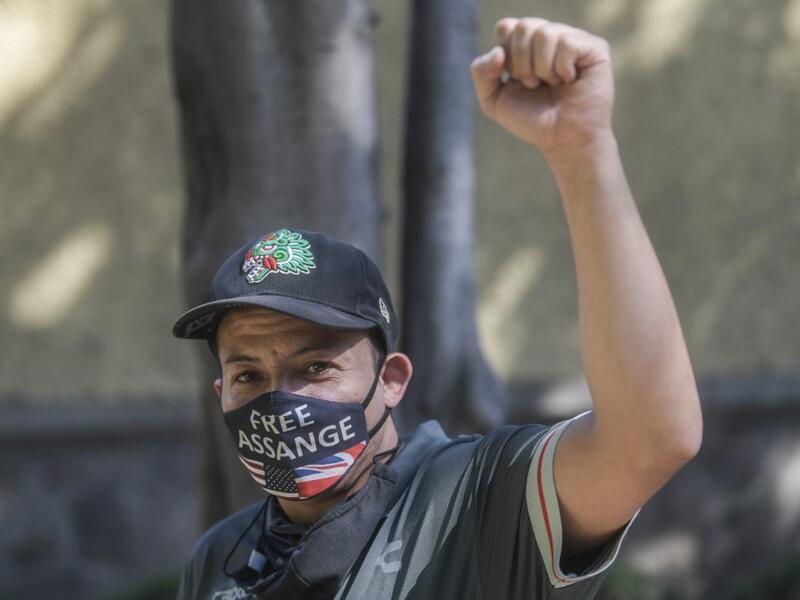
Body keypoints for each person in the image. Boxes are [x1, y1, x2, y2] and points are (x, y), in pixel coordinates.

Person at [172, 17, 702, 600]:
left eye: (317, 366)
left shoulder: (479, 500)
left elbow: (651, 440)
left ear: (391, 379)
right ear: (220, 394)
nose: (282, 400)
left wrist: (584, 150)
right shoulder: (219, 558)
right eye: (248, 373)